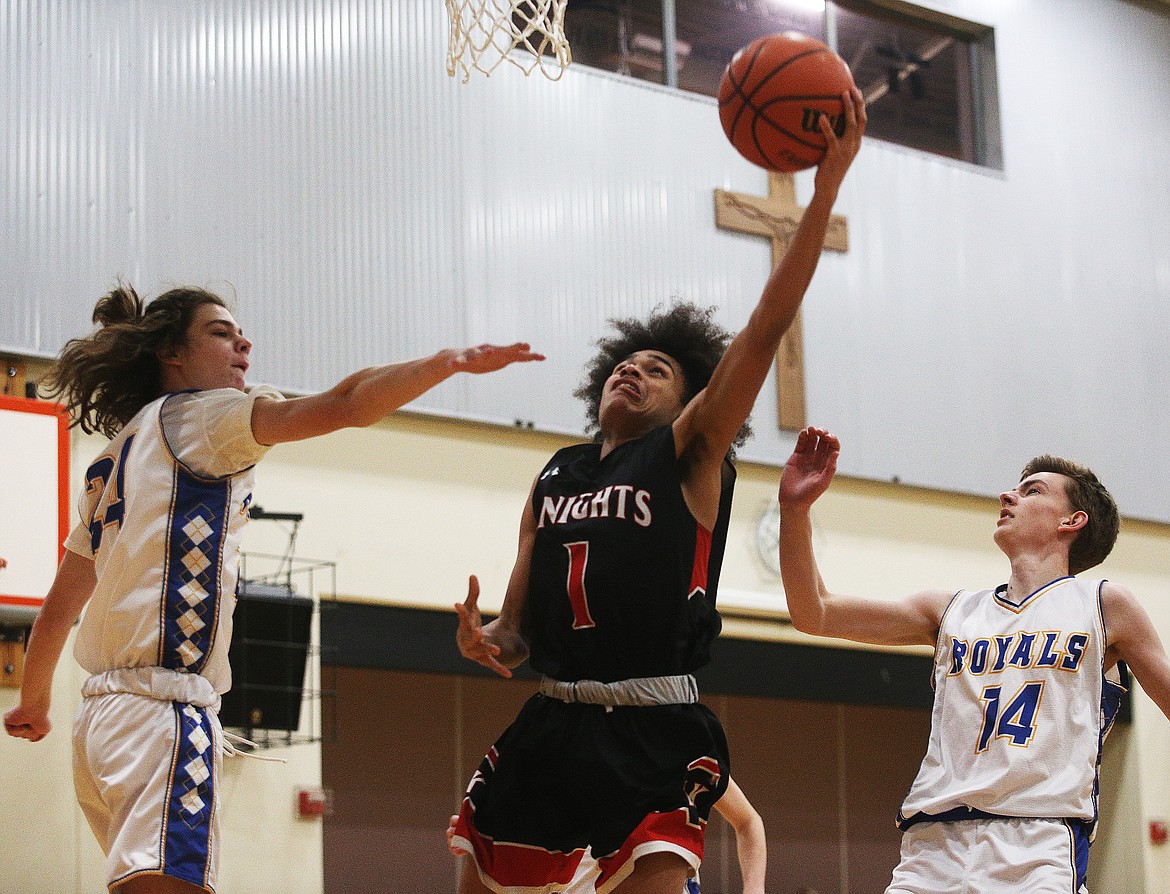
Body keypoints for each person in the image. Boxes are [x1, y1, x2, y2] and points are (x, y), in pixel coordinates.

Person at [450, 89, 865, 894]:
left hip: (652, 726)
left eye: (659, 367)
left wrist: (824, 194)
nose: (632, 367)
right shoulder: (554, 475)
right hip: (554, 714)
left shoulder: (688, 454)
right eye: (623, 361)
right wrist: (485, 640)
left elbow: (766, 327)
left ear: (693, 400)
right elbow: (517, 631)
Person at [2, 283, 542, 894]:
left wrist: (35, 699)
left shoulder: (118, 453)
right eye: (220, 332)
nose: (243, 342)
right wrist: (449, 363)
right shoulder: (202, 416)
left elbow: (59, 605)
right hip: (162, 713)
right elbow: (347, 403)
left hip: (97, 727)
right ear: (170, 354)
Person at [776, 426, 1170, 893]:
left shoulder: (1105, 604)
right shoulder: (951, 611)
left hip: (1036, 841)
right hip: (932, 846)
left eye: (1032, 490)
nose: (1007, 495)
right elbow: (814, 612)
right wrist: (794, 509)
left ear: (1073, 521)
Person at [447, 776, 766, 894]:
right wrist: (483, 840)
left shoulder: (684, 754)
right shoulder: (558, 768)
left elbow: (749, 821)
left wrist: (754, 888)